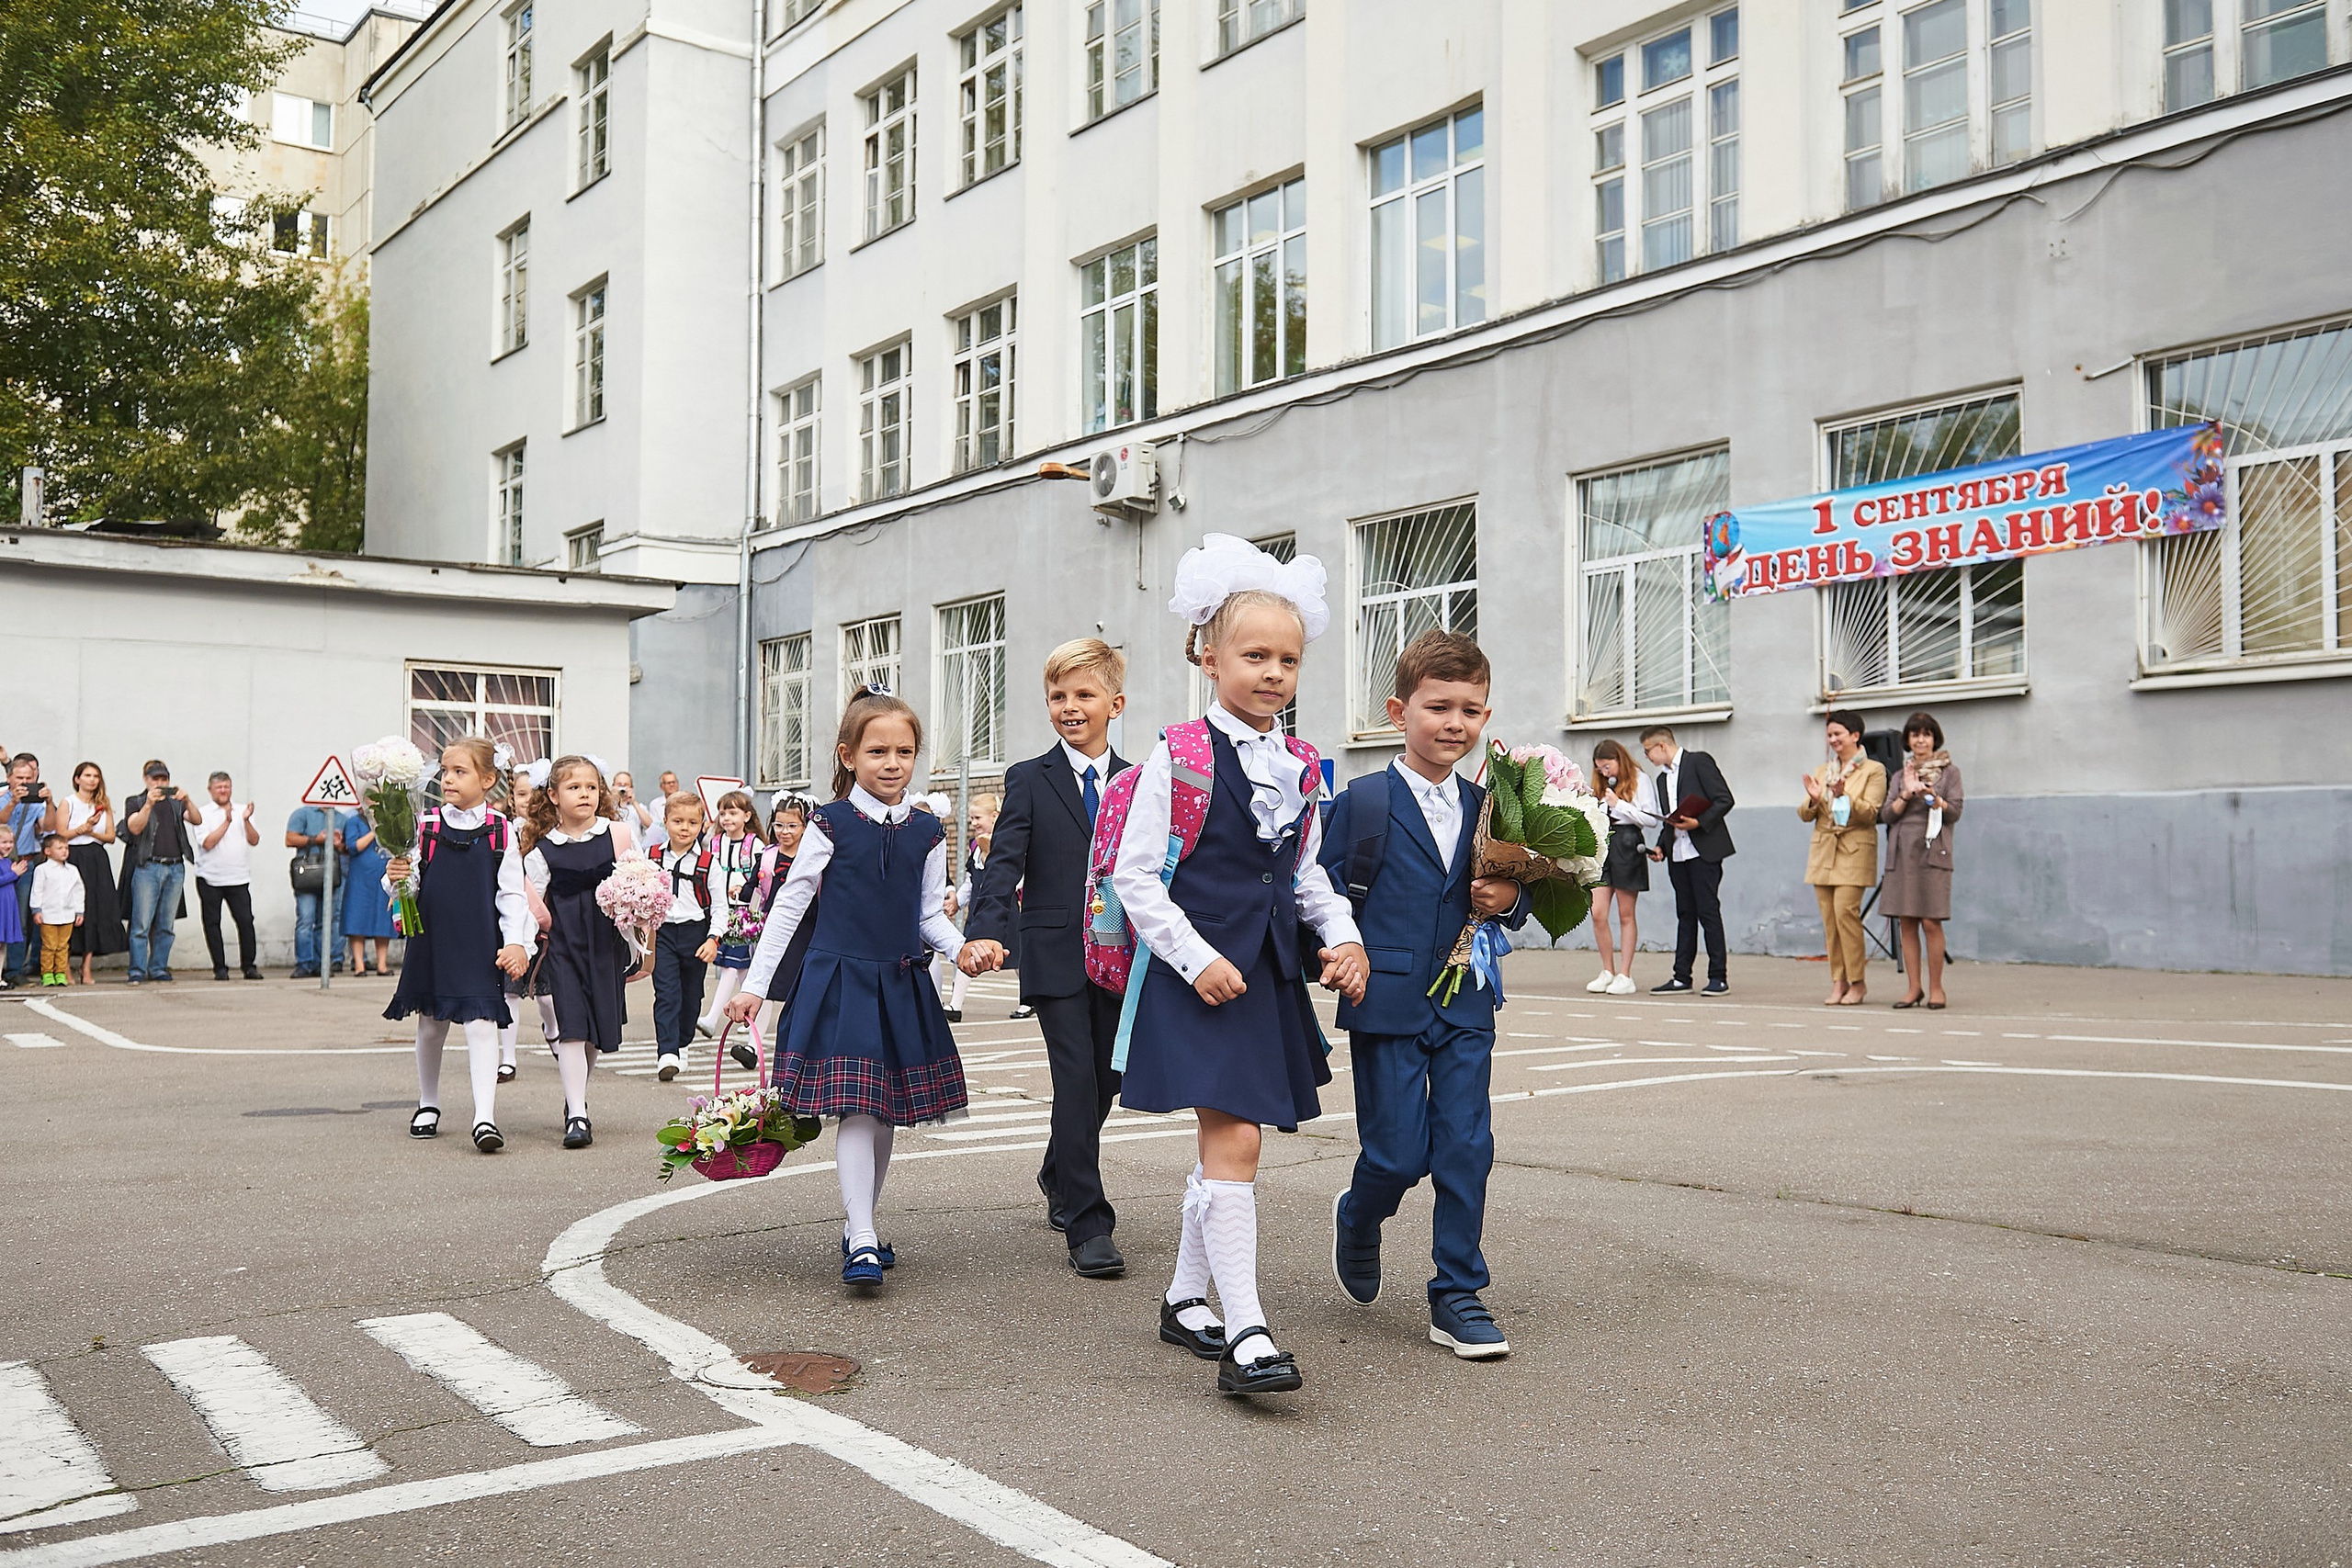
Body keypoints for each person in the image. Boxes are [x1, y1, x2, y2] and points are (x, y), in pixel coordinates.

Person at [1099, 534, 1368, 1398]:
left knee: (1228, 1142)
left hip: (1267, 980)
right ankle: (1246, 1330)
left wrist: (1343, 935)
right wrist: (1195, 956)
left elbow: (1306, 873)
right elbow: (1133, 875)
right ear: (1208, 658)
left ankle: (1185, 1297)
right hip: (1201, 976)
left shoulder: (1301, 764)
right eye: (1255, 655)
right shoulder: (1174, 756)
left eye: (1288, 659)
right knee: (1238, 1138)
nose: (1274, 672)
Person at [728, 691, 996, 1291]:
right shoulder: (830, 822)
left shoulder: (928, 830)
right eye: (878, 750)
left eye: (904, 750)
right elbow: (790, 905)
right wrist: (754, 986)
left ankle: (860, 1225)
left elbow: (929, 914)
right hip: (840, 978)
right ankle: (864, 1235)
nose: (892, 761)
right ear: (849, 756)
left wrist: (964, 949)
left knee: (886, 1113)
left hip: (900, 979)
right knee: (858, 1105)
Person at [1320, 629, 1529, 1360]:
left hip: (1467, 999)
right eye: (1438, 706)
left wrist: (1505, 896)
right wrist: (1333, 953)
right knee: (1399, 1153)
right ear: (1398, 710)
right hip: (1387, 997)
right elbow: (1320, 891)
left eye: (1470, 710)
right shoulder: (1365, 801)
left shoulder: (1493, 807)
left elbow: (1518, 897)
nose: (1454, 723)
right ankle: (1359, 1212)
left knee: (1467, 1145)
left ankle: (1458, 1292)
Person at [967, 637, 1134, 1279]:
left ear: (1114, 703)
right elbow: (1003, 861)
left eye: (1084, 694)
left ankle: (1056, 1168)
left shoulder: (1139, 779)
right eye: (1059, 696)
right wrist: (983, 932)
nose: (1071, 706)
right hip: (1055, 949)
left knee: (1109, 1077)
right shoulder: (1029, 779)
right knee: (1075, 1078)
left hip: (1122, 954)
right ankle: (1089, 1221)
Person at [383, 737, 533, 1152]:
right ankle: (427, 1102)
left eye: (459, 772)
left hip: (479, 942)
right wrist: (396, 873)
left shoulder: (502, 830)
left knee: (482, 1026)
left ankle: (484, 1117)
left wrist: (517, 943)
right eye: (445, 771)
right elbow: (402, 885)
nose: (448, 779)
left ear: (487, 780)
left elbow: (512, 894)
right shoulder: (426, 826)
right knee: (431, 1025)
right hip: (432, 940)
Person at [521, 756, 639, 1149]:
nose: (584, 794)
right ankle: (577, 1113)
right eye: (573, 788)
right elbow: (530, 903)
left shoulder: (618, 835)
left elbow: (641, 885)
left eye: (591, 787)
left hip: (606, 946)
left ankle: (577, 1096)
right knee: (571, 1027)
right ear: (553, 796)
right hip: (564, 948)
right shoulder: (543, 850)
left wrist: (645, 945)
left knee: (593, 1034)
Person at [1799, 709, 1888, 1007]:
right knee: (1830, 921)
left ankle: (1858, 983)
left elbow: (1871, 813)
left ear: (1855, 735)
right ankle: (1838, 981)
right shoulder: (1824, 771)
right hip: (1824, 850)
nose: (1833, 740)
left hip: (1854, 848)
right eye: (1830, 735)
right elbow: (1804, 814)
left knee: (1845, 914)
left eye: (1838, 734)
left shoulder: (1873, 770)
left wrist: (1844, 795)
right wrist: (1813, 798)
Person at [1639, 725, 1736, 995]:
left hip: (1703, 851)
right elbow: (1670, 820)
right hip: (1678, 855)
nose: (1647, 756)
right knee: (1685, 914)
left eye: (1648, 751)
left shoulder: (1698, 761)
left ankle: (1719, 977)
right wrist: (1661, 847)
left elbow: (1724, 799)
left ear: (1661, 746)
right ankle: (1682, 977)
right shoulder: (1661, 780)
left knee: (1708, 912)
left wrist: (1698, 822)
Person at [1882, 710, 1963, 1010]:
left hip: (1933, 848)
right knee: (1907, 920)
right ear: (1908, 740)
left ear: (1934, 738)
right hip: (1903, 850)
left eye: (1926, 734)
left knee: (1931, 921)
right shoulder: (1900, 775)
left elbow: (1954, 811)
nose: (1920, 740)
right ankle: (1913, 988)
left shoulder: (1950, 772)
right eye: (1915, 735)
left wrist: (1930, 796)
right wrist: (1905, 793)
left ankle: (1937, 988)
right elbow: (1887, 814)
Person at [649, 792, 725, 1080]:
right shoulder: (653, 856)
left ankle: (682, 1043)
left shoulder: (708, 862)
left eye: (692, 822)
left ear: (702, 825)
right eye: (678, 821)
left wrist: (713, 938)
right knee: (667, 993)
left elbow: (720, 906)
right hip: (663, 932)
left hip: (696, 934)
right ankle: (666, 1052)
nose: (684, 828)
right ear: (665, 822)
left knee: (692, 997)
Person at [694, 790, 767, 1052]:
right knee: (747, 974)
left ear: (747, 816)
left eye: (733, 812)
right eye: (723, 813)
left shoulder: (755, 845)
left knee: (731, 965)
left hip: (746, 914)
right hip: (721, 912)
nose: (726, 818)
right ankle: (753, 1039)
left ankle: (713, 1018)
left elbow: (762, 878)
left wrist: (745, 889)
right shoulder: (713, 843)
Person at [1586, 739, 1657, 996]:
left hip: (1628, 843)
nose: (1605, 773)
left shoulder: (1640, 779)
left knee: (1626, 914)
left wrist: (1619, 805)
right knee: (1598, 912)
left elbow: (1650, 819)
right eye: (1600, 769)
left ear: (1619, 759)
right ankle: (1607, 970)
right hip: (1604, 844)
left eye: (1607, 767)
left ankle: (1625, 974)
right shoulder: (1603, 785)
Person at [44, 762, 126, 984]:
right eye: (87, 775)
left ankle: (87, 967)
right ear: (77, 779)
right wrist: (82, 828)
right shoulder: (68, 802)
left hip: (97, 857)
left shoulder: (103, 804)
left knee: (97, 909)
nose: (92, 780)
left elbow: (110, 836)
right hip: (74, 856)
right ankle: (65, 967)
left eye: (96, 776)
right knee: (72, 910)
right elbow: (60, 833)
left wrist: (93, 832)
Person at [122, 761, 195, 984]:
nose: (160, 783)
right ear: (146, 779)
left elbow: (197, 819)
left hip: (175, 866)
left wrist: (187, 800)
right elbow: (134, 827)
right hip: (148, 866)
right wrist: (148, 805)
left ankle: (159, 968)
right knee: (141, 924)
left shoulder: (175, 803)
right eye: (155, 779)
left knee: (166, 924)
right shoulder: (135, 801)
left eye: (164, 779)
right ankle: (136, 970)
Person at [192, 771, 263, 982]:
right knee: (213, 923)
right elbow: (208, 843)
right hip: (209, 877)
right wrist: (227, 822)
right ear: (210, 790)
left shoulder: (243, 810)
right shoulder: (202, 814)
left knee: (245, 921)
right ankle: (220, 968)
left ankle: (249, 966)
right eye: (219, 787)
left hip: (238, 878)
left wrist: (246, 821)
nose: (223, 791)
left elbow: (254, 840)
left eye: (226, 787)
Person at [286, 797, 345, 979]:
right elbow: (290, 839)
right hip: (307, 874)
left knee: (326, 921)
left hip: (332, 874)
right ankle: (304, 963)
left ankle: (321, 964)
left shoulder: (341, 818)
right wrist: (316, 839)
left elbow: (345, 847)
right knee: (306, 919)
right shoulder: (302, 813)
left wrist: (338, 843)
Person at [341, 805, 397, 976]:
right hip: (361, 877)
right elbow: (353, 847)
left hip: (382, 874)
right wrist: (374, 831)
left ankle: (382, 965)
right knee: (357, 918)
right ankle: (359, 966)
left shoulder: (388, 822)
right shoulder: (354, 822)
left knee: (382, 918)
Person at [30, 834, 85, 986]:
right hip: (48, 915)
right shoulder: (42, 870)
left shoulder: (72, 870)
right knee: (49, 946)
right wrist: (37, 910)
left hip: (67, 914)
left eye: (66, 848)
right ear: (47, 851)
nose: (64, 851)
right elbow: (37, 890)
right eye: (59, 848)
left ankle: (60, 973)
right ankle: (47, 973)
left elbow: (78, 891)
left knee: (63, 946)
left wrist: (79, 911)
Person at [0, 826, 25, 988]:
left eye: (11, 842)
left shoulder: (8, 861)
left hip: (8, 905)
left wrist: (16, 874)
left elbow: (10, 882)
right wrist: (14, 874)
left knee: (2, 945)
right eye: (4, 842)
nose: (8, 845)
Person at [613, 771, 657, 838]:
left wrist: (634, 802)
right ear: (613, 786)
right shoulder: (608, 806)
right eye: (619, 785)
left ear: (631, 788)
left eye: (625, 785)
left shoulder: (639, 807)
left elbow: (650, 825)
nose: (622, 788)